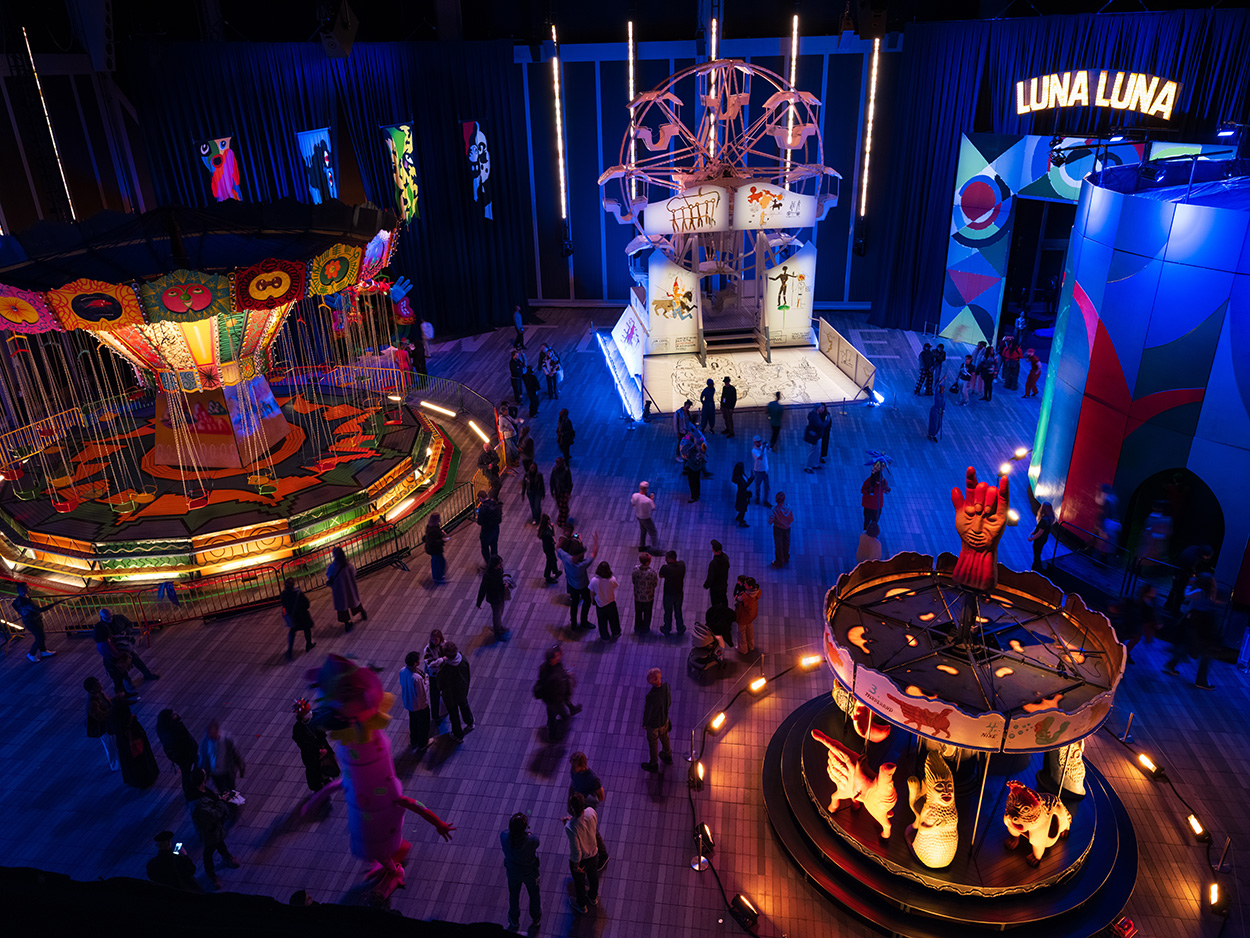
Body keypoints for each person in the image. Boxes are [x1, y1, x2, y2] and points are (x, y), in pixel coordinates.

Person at [1164, 574, 1223, 690]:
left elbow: (1186, 595)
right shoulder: (1211, 593)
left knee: (1188, 644)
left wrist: (1190, 584)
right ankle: (1200, 680)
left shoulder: (1199, 591)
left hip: (1194, 622)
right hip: (1204, 624)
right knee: (1200, 650)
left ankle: (1171, 664)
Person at [186, 768, 238, 890]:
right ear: (202, 781)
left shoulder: (203, 791)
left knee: (220, 843)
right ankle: (211, 875)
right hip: (208, 831)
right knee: (209, 852)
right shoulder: (198, 803)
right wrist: (221, 802)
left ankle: (226, 857)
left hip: (215, 828)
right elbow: (213, 814)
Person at [501, 812, 541, 932]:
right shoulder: (531, 840)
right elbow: (536, 841)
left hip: (513, 872)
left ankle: (514, 919)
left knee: (514, 894)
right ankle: (536, 917)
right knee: (534, 894)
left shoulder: (504, 837)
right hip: (530, 873)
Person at [536, 643, 581, 740]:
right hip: (555, 700)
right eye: (557, 656)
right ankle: (554, 735)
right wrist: (565, 694)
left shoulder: (544, 667)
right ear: (552, 660)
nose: (559, 656)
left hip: (549, 699)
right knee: (563, 715)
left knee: (551, 713)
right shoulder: (554, 676)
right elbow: (558, 690)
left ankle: (552, 727)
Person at [292, 698, 339, 790]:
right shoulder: (298, 728)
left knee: (326, 764)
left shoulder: (314, 719)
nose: (310, 713)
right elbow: (304, 744)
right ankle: (317, 787)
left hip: (323, 747)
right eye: (307, 712)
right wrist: (318, 750)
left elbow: (321, 734)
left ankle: (326, 779)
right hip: (311, 754)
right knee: (313, 769)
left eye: (309, 710)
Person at [564, 792, 600, 913]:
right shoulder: (591, 811)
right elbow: (587, 826)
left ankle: (581, 905)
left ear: (572, 808)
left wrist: (575, 865)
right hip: (594, 853)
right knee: (593, 877)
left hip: (582, 859)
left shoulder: (571, 827)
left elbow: (576, 849)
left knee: (579, 883)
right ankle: (593, 897)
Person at [113, 695, 159, 789]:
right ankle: (146, 779)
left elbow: (111, 730)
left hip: (123, 745)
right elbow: (138, 732)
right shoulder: (130, 719)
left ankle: (133, 780)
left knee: (129, 763)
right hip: (136, 744)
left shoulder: (114, 719)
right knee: (142, 762)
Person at [94, 613, 140, 699]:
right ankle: (121, 697)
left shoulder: (101, 641)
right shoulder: (106, 643)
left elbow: (113, 637)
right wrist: (125, 651)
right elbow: (116, 654)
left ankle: (125, 694)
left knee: (120, 680)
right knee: (118, 682)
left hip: (111, 664)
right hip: (114, 664)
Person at [434, 641, 473, 740]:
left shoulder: (446, 667)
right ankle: (470, 723)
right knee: (464, 706)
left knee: (454, 714)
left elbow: (440, 682)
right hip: (462, 691)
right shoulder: (463, 660)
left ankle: (458, 735)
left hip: (450, 695)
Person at [559, 531, 599, 629]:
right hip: (583, 586)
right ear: (579, 555)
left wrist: (563, 538)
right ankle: (584, 621)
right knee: (587, 601)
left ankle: (573, 623)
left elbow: (557, 548)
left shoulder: (566, 558)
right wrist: (596, 541)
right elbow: (594, 554)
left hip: (572, 585)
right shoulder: (581, 565)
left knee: (574, 604)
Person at [640, 667, 673, 772]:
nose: (647, 678)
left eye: (649, 677)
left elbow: (648, 712)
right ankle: (667, 755)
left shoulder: (651, 696)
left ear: (655, 679)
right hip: (664, 720)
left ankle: (654, 764)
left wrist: (645, 723)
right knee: (665, 737)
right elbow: (669, 702)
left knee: (653, 743)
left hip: (653, 725)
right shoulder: (666, 687)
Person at [199, 719, 245, 793]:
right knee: (222, 790)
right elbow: (203, 758)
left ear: (218, 731)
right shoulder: (205, 742)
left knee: (231, 788)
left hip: (227, 771)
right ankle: (227, 801)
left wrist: (241, 767)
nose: (211, 738)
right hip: (215, 773)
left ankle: (232, 802)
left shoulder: (227, 740)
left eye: (213, 735)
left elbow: (235, 754)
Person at [326, 546, 366, 631]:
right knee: (354, 601)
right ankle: (362, 612)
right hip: (350, 588)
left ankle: (347, 624)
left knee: (342, 608)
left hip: (339, 591)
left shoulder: (333, 567)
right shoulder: (348, 565)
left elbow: (329, 575)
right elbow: (354, 573)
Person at [12, 582, 54, 663]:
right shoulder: (25, 602)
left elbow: (13, 604)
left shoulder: (21, 598)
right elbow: (39, 610)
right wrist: (51, 606)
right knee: (40, 637)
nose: (29, 588)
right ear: (24, 590)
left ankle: (43, 651)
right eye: (27, 587)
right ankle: (31, 654)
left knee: (40, 636)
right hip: (32, 621)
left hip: (34, 620)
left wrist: (21, 612)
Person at [476, 554, 514, 642]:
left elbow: (501, 580)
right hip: (494, 598)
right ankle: (497, 632)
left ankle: (499, 627)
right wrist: (479, 603)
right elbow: (482, 589)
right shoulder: (488, 576)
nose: (501, 565)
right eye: (499, 563)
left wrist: (505, 583)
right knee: (496, 615)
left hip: (501, 596)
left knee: (500, 612)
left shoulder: (499, 570)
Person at [399, 652, 432, 753]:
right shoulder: (416, 678)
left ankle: (414, 741)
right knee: (423, 724)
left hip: (409, 703)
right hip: (419, 705)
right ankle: (423, 743)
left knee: (413, 722)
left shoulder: (403, 671)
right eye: (418, 660)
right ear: (414, 663)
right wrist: (426, 681)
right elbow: (422, 693)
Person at [1167, 544, 1213, 614]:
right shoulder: (1192, 557)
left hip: (1178, 571)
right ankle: (1174, 610)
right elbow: (1189, 568)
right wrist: (1193, 576)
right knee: (1180, 593)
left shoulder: (1194, 550)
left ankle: (1168, 605)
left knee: (1174, 589)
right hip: (1181, 574)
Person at [84, 677, 117, 771]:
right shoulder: (92, 703)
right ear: (91, 689)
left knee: (113, 745)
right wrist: (113, 710)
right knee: (111, 747)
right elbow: (100, 716)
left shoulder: (99, 694)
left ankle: (117, 764)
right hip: (103, 729)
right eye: (97, 685)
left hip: (108, 726)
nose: (100, 686)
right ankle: (115, 765)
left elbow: (108, 702)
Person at [155, 709, 198, 781]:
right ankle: (191, 784)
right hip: (185, 754)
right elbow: (186, 737)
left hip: (180, 756)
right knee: (187, 771)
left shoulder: (164, 730)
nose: (176, 714)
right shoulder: (176, 729)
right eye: (173, 715)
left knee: (186, 770)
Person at [279, 580, 316, 660]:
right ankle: (308, 644)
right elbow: (307, 604)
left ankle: (290, 650)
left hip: (293, 617)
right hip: (302, 615)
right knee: (307, 629)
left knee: (292, 631)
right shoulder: (298, 594)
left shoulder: (284, 594)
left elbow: (284, 604)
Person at [423, 629, 449, 733]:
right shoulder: (428, 649)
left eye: (436, 639)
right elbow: (430, 663)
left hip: (443, 673)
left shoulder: (444, 644)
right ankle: (435, 715)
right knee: (435, 695)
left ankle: (445, 709)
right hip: (433, 675)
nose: (435, 641)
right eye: (433, 639)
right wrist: (442, 660)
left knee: (445, 692)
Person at [589, 560, 621, 641]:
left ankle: (605, 637)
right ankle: (616, 632)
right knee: (614, 619)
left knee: (602, 622)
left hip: (600, 604)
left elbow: (591, 592)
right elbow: (615, 586)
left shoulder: (594, 580)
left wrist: (592, 600)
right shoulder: (612, 579)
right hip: (611, 602)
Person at [658, 549, 687, 635]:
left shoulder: (665, 568)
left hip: (668, 594)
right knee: (678, 611)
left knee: (668, 612)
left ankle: (667, 628)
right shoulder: (682, 565)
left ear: (670, 559)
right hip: (679, 593)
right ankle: (680, 627)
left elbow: (660, 575)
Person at [632, 552, 659, 634]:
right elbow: (655, 584)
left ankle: (637, 627)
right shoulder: (652, 573)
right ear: (648, 562)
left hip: (638, 597)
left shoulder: (635, 570)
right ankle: (646, 628)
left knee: (638, 613)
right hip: (648, 597)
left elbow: (633, 581)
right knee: (648, 613)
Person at [733, 576, 761, 654]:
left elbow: (737, 598)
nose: (744, 585)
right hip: (751, 615)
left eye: (745, 584)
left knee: (741, 633)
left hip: (743, 616)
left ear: (750, 586)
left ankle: (743, 649)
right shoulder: (757, 591)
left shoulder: (745, 596)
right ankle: (751, 646)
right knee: (750, 629)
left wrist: (737, 596)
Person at [860, 462, 891, 531]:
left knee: (875, 522)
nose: (879, 483)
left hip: (877, 506)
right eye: (878, 481)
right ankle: (865, 533)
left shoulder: (883, 482)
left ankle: (872, 534)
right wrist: (868, 491)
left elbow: (886, 490)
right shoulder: (869, 481)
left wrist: (886, 489)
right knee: (867, 521)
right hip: (868, 506)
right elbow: (862, 490)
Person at [476, 491, 503, 564]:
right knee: (494, 546)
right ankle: (495, 562)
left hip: (486, 531)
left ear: (481, 498)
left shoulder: (482, 508)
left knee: (485, 548)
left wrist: (478, 514)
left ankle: (489, 564)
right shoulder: (494, 503)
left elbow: (479, 522)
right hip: (496, 529)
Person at [631, 481, 658, 551]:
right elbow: (653, 507)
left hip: (638, 516)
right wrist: (651, 499)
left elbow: (633, 504)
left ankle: (642, 546)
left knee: (643, 530)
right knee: (653, 532)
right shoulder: (648, 500)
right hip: (646, 517)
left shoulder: (635, 495)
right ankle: (655, 549)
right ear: (646, 489)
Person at [1029, 502, 1056, 571]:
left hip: (1039, 540)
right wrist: (1034, 532)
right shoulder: (1050, 518)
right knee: (1038, 553)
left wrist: (1032, 538)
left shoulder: (1043, 520)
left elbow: (1040, 532)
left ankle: (1036, 569)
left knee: (1036, 555)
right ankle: (1036, 568)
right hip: (1044, 539)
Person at [769, 492, 794, 567]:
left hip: (778, 529)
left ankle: (779, 561)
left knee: (778, 545)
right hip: (787, 528)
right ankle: (786, 558)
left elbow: (770, 521)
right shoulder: (789, 508)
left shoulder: (774, 509)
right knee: (786, 543)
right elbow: (791, 519)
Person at [680, 431, 706, 502]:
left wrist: (687, 438)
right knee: (697, 481)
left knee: (692, 482)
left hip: (692, 467)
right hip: (699, 467)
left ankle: (693, 496)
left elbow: (685, 455)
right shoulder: (702, 446)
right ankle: (697, 494)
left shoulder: (692, 449)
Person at [704, 539, 730, 607]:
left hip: (716, 588)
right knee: (723, 598)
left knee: (715, 603)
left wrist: (706, 585)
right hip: (723, 585)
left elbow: (711, 577)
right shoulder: (726, 558)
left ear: (713, 550)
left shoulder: (713, 564)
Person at [550, 456, 573, 527]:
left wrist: (568, 492)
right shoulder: (555, 470)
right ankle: (564, 515)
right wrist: (552, 490)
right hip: (558, 491)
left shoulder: (566, 470)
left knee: (563, 505)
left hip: (564, 490)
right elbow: (552, 481)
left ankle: (562, 521)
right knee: (560, 505)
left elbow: (569, 482)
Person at [424, 513, 447, 584]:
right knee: (440, 562)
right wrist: (442, 541)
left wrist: (441, 533)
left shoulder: (432, 526)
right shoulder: (433, 529)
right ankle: (438, 577)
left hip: (433, 549)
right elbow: (433, 541)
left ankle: (437, 576)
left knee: (436, 562)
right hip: (434, 549)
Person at [538, 514, 560, 585]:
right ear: (547, 521)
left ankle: (556, 571)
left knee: (553, 559)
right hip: (549, 549)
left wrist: (552, 527)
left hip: (547, 548)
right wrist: (553, 541)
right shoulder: (546, 533)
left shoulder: (545, 528)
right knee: (550, 562)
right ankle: (547, 576)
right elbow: (551, 540)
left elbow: (552, 535)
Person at [732, 461, 754, 527]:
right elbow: (744, 486)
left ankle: (739, 517)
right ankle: (741, 521)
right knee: (743, 509)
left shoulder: (740, 475)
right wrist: (751, 480)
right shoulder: (739, 477)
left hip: (742, 493)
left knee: (742, 508)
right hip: (742, 495)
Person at [750, 436, 771, 506]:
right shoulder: (754, 451)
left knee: (767, 486)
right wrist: (763, 448)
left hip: (765, 470)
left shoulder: (763, 447)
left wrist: (767, 446)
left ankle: (765, 500)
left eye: (760, 441)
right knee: (757, 486)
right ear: (754, 442)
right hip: (758, 471)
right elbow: (760, 457)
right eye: (758, 442)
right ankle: (757, 497)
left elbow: (770, 449)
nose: (759, 443)